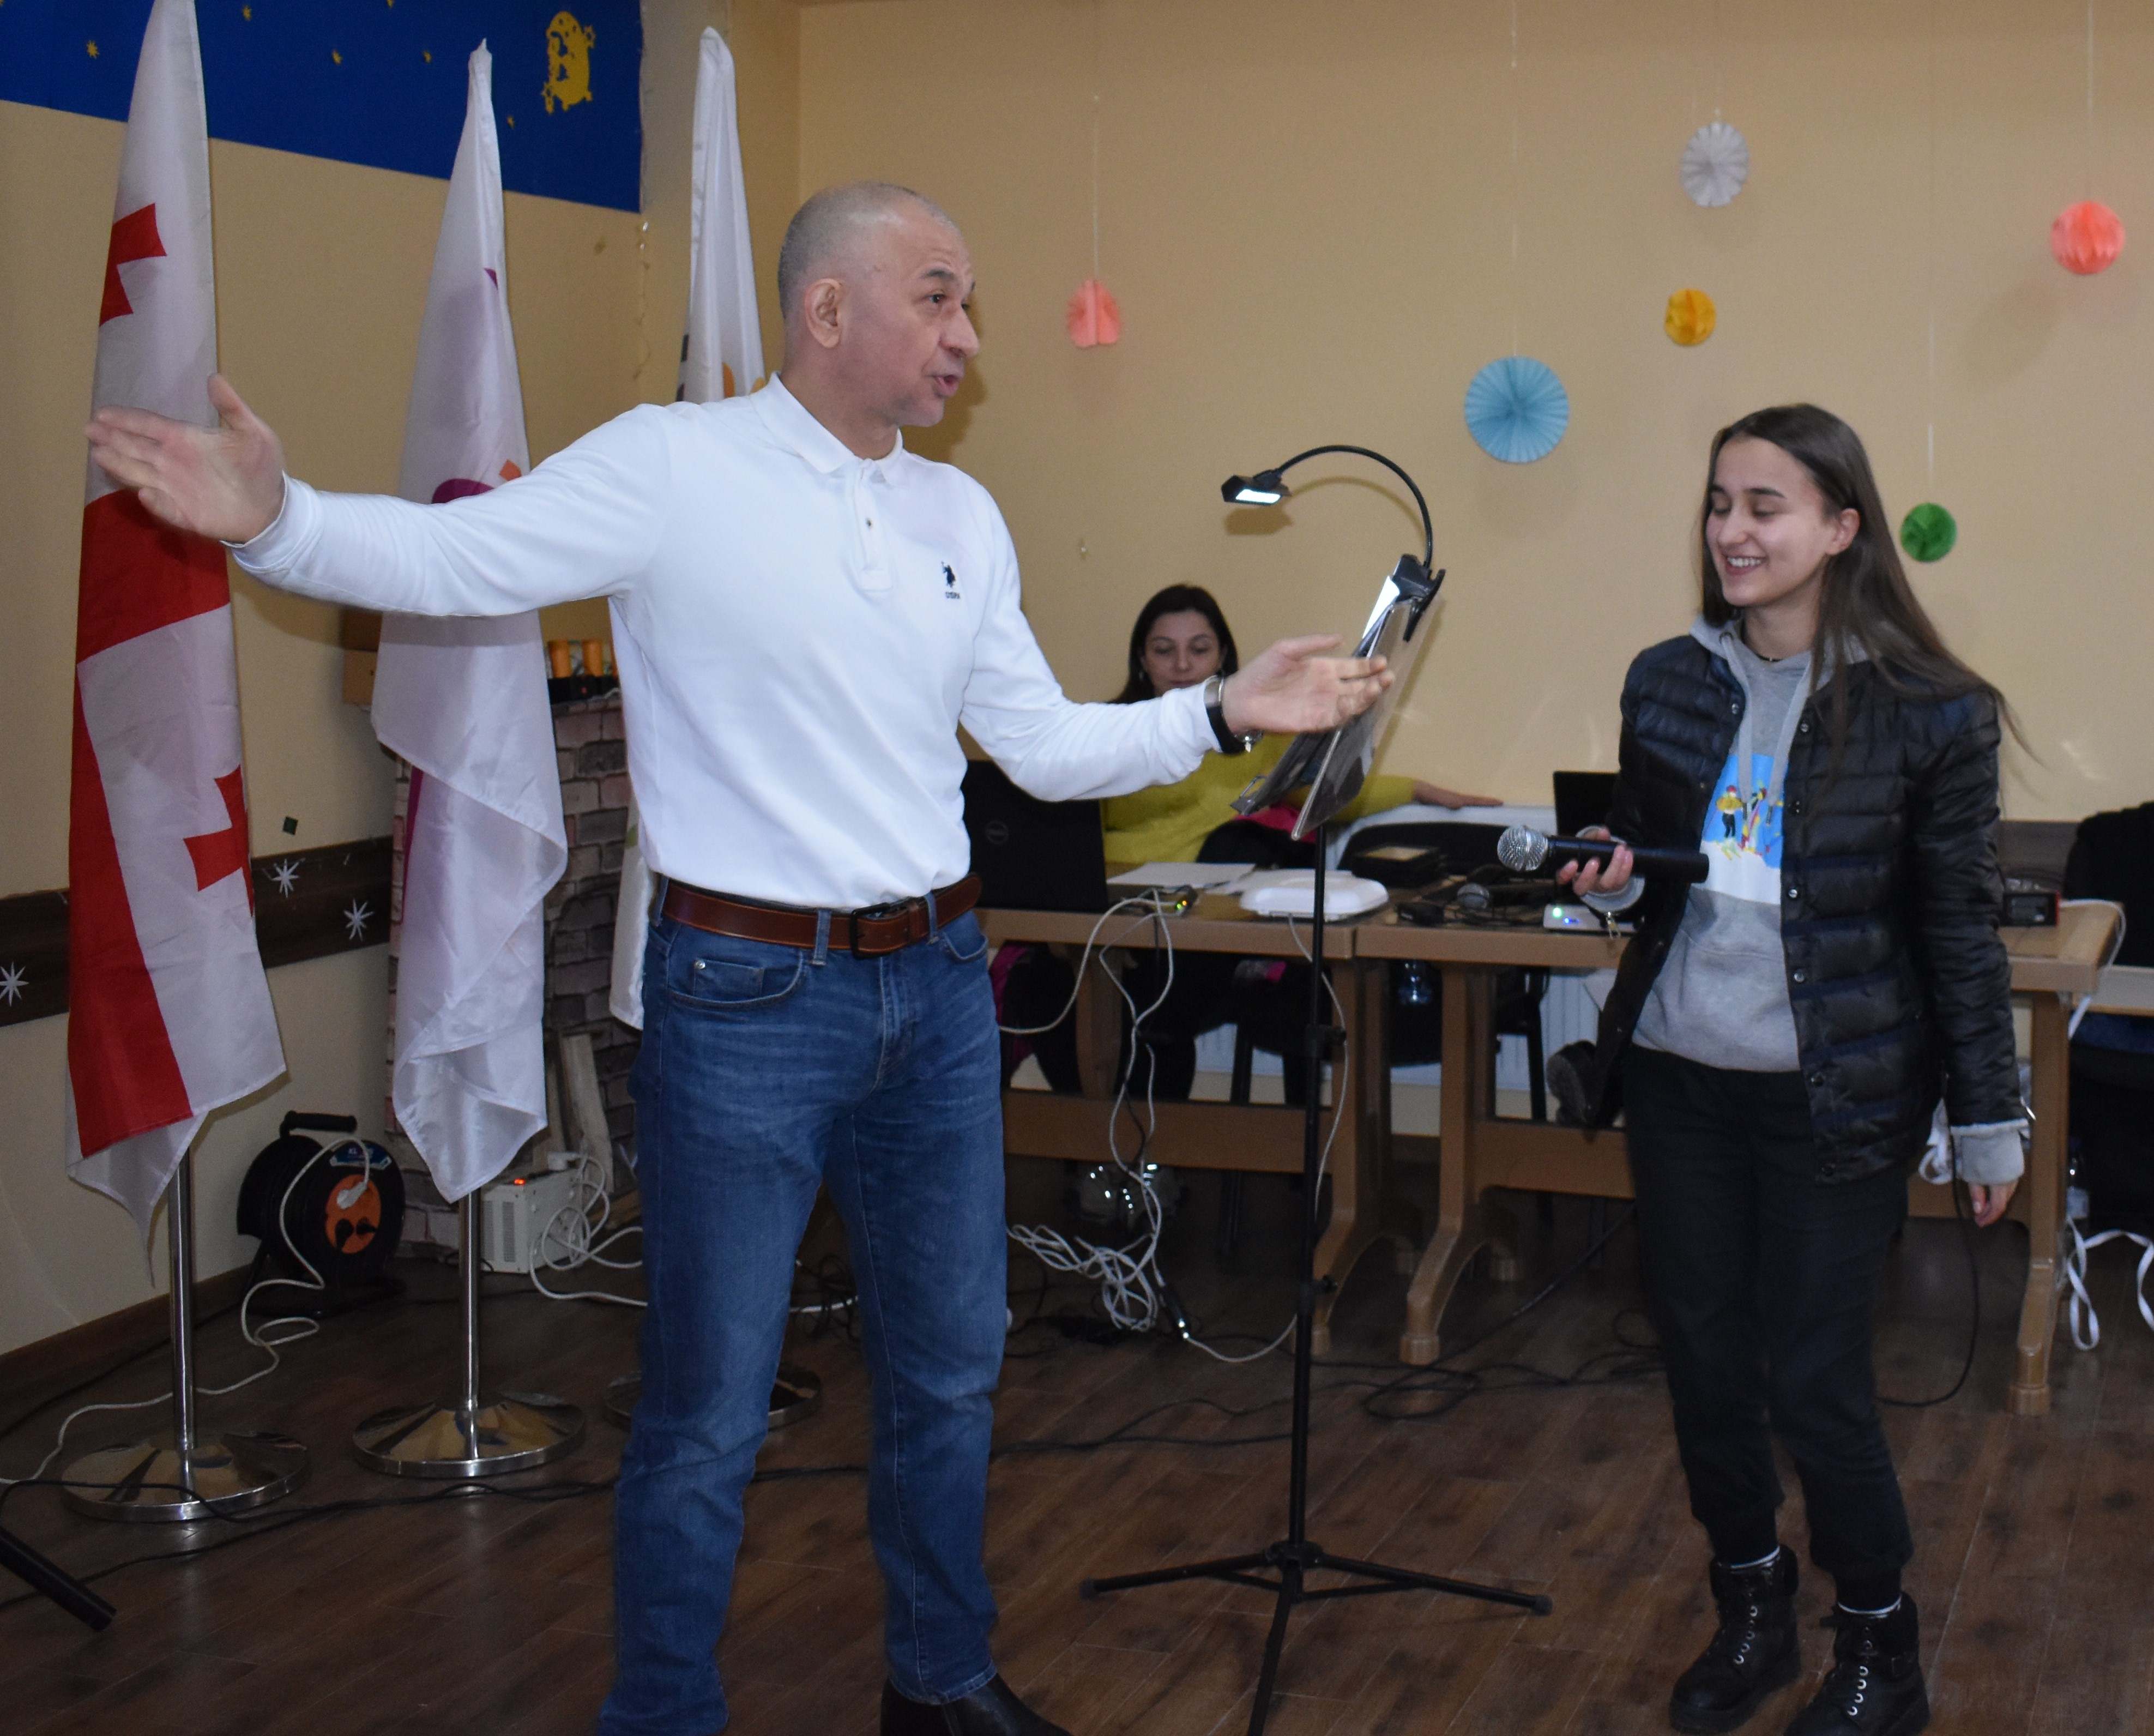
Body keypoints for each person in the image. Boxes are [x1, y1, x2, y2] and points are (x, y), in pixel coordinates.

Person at [86, 182, 1395, 1736]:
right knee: (707, 1405)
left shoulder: (957, 515)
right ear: (826, 308)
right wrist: (279, 520)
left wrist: (1224, 709)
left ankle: (939, 1682)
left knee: (951, 1370)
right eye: (937, 296)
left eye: (968, 302)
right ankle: (662, 1714)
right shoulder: (674, 465)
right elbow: (459, 560)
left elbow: (1042, 748)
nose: (967, 336)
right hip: (745, 999)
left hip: (936, 986)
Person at [1555, 404, 2022, 1736]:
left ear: (1838, 526)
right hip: (1679, 1080)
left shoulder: (1930, 710)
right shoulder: (1668, 677)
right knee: (1706, 1365)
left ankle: (1879, 1642)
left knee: (1814, 1379)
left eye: (1764, 505)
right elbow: (1645, 859)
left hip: (1836, 1094)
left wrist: (1987, 1119)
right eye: (1719, 502)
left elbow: (1958, 931)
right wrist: (1609, 875)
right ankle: (1751, 1607)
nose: (1731, 529)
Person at [997, 583, 1494, 1106]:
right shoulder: (1111, 731)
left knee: (1162, 991)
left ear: (1224, 657)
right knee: (1048, 984)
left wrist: (1416, 790)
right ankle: (1095, 1138)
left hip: (1200, 927)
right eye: (1164, 650)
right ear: (1142, 660)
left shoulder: (1256, 734)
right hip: (1117, 916)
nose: (1182, 665)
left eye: (1199, 649)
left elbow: (1323, 789)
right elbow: (1072, 838)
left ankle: (1144, 1136)